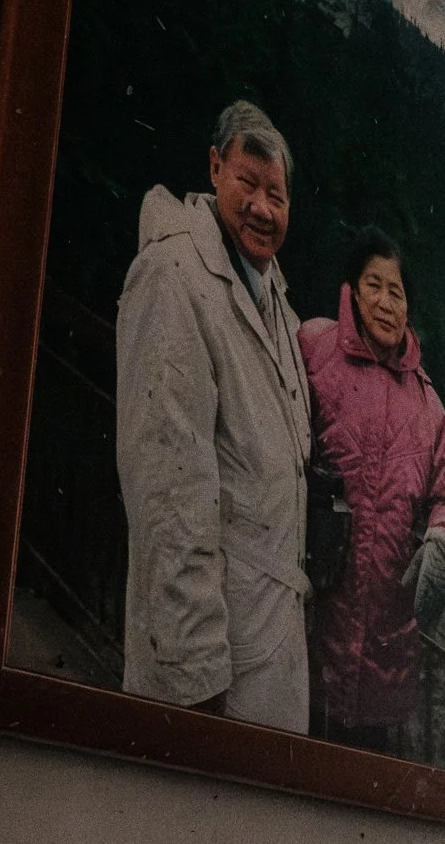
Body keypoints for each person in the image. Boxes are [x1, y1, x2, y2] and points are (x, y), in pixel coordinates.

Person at [114, 102, 313, 731]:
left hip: (266, 649)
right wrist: (195, 681)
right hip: (212, 684)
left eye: (275, 194)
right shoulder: (174, 277)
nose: (261, 207)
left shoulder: (271, 291)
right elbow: (169, 497)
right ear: (213, 167)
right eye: (246, 183)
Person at [297, 228, 445, 751]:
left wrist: (441, 542)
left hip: (383, 651)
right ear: (352, 289)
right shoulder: (311, 348)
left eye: (397, 292)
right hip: (308, 623)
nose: (385, 302)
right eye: (374, 285)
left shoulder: (426, 405)